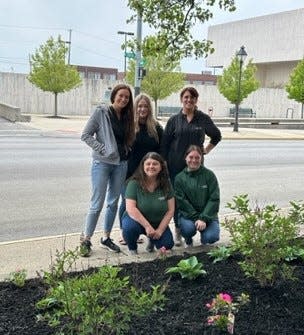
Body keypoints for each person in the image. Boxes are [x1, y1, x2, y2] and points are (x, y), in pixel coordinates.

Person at [161, 86, 221, 246]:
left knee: (197, 196)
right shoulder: (174, 120)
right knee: (177, 199)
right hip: (175, 167)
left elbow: (216, 135)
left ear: (196, 100)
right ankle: (179, 231)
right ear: (182, 99)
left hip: (195, 166)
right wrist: (165, 164)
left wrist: (206, 151)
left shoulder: (202, 119)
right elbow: (165, 144)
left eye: (192, 98)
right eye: (186, 97)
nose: (189, 100)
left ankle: (202, 224)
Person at [80, 84, 135, 256]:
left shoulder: (126, 116)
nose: (124, 99)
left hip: (121, 164)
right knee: (97, 203)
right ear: (114, 96)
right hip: (102, 163)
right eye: (121, 95)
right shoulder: (101, 113)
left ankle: (106, 237)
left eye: (127, 97)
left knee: (112, 203)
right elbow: (86, 135)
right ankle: (86, 239)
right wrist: (103, 150)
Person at [118, 93, 163, 245]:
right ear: (135, 108)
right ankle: (126, 234)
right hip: (129, 174)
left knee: (144, 205)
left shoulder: (156, 128)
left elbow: (162, 151)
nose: (142, 109)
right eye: (139, 106)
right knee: (126, 204)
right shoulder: (128, 125)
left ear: (150, 109)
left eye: (145, 106)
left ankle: (140, 231)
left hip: (150, 174)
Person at [121, 152, 174, 255]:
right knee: (129, 228)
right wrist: (147, 226)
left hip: (157, 222)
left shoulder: (166, 184)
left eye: (155, 164)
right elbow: (130, 208)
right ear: (143, 166)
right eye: (148, 164)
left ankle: (152, 242)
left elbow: (170, 210)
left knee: (167, 245)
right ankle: (133, 250)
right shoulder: (133, 183)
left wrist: (160, 230)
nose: (151, 166)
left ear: (161, 167)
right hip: (137, 221)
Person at [174, 145, 220, 247]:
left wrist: (203, 218)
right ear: (185, 158)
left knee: (211, 237)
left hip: (208, 215)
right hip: (188, 215)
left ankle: (205, 239)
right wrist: (196, 218)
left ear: (201, 159)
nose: (194, 160)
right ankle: (188, 240)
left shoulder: (209, 175)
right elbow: (182, 202)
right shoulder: (179, 178)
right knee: (188, 229)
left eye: (197, 157)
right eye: (191, 157)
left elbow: (214, 199)